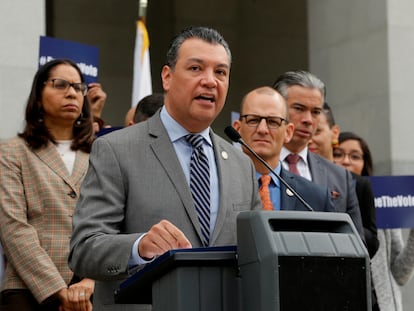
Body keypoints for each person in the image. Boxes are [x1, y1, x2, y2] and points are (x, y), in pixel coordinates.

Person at [69, 26, 262, 310]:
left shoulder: (241, 164)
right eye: (196, 68)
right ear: (167, 77)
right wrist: (139, 247)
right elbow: (84, 249)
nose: (210, 81)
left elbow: (255, 254)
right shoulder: (116, 149)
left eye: (220, 72)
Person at [0, 59, 95, 311]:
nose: (72, 92)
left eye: (78, 87)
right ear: (38, 97)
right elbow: (13, 227)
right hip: (28, 290)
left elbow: (115, 224)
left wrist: (92, 280)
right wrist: (57, 290)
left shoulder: (102, 154)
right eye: (60, 84)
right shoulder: (11, 152)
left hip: (93, 290)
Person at [272, 70, 365, 242]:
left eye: (315, 112)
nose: (308, 119)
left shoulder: (340, 177)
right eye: (299, 109)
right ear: (277, 107)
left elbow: (357, 245)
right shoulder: (254, 167)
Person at [335, 132, 414, 311]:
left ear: (365, 164)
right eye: (338, 154)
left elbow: (400, 274)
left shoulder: (382, 205)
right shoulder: (323, 200)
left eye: (355, 156)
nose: (346, 161)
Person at [232, 86, 334, 212]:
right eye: (253, 120)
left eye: (273, 122)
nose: (262, 129)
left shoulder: (315, 197)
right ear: (237, 129)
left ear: (288, 132)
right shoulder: (218, 187)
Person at [309, 104, 379, 257]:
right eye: (339, 154)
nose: (309, 138)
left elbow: (371, 242)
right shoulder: (288, 171)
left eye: (317, 131)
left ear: (334, 133)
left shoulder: (356, 183)